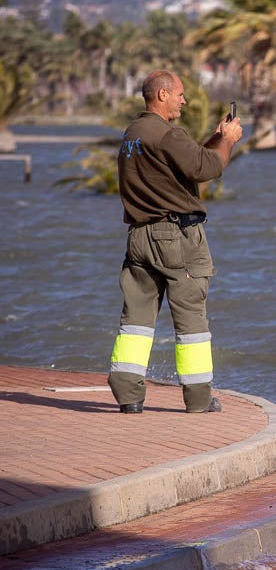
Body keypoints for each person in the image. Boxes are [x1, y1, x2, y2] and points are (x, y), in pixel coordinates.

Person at [107, 70, 243, 414]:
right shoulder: (167, 133)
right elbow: (207, 168)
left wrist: (214, 139)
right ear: (162, 95)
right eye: (180, 94)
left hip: (139, 236)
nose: (184, 100)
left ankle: (128, 396)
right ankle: (198, 400)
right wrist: (228, 139)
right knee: (191, 318)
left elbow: (188, 163)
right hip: (177, 236)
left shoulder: (133, 133)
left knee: (136, 318)